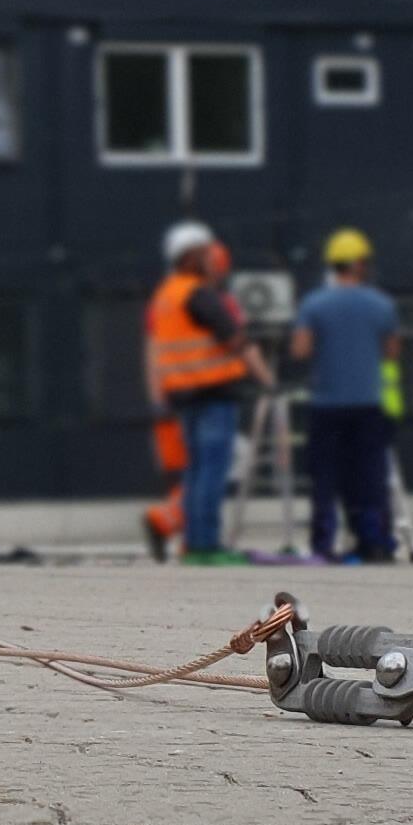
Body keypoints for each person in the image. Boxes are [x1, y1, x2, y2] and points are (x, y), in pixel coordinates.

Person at [145, 220, 265, 567]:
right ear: (191, 256)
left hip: (183, 396)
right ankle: (208, 545)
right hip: (213, 394)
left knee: (196, 472)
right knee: (212, 471)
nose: (212, 259)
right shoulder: (198, 293)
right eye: (206, 253)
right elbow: (235, 339)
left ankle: (195, 545)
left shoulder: (166, 294)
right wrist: (265, 378)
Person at [289, 228, 400, 564]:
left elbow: (300, 350)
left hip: (327, 404)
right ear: (360, 264)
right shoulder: (382, 304)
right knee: (370, 476)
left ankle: (324, 543)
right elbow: (392, 353)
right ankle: (375, 542)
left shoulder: (313, 303)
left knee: (324, 476)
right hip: (368, 403)